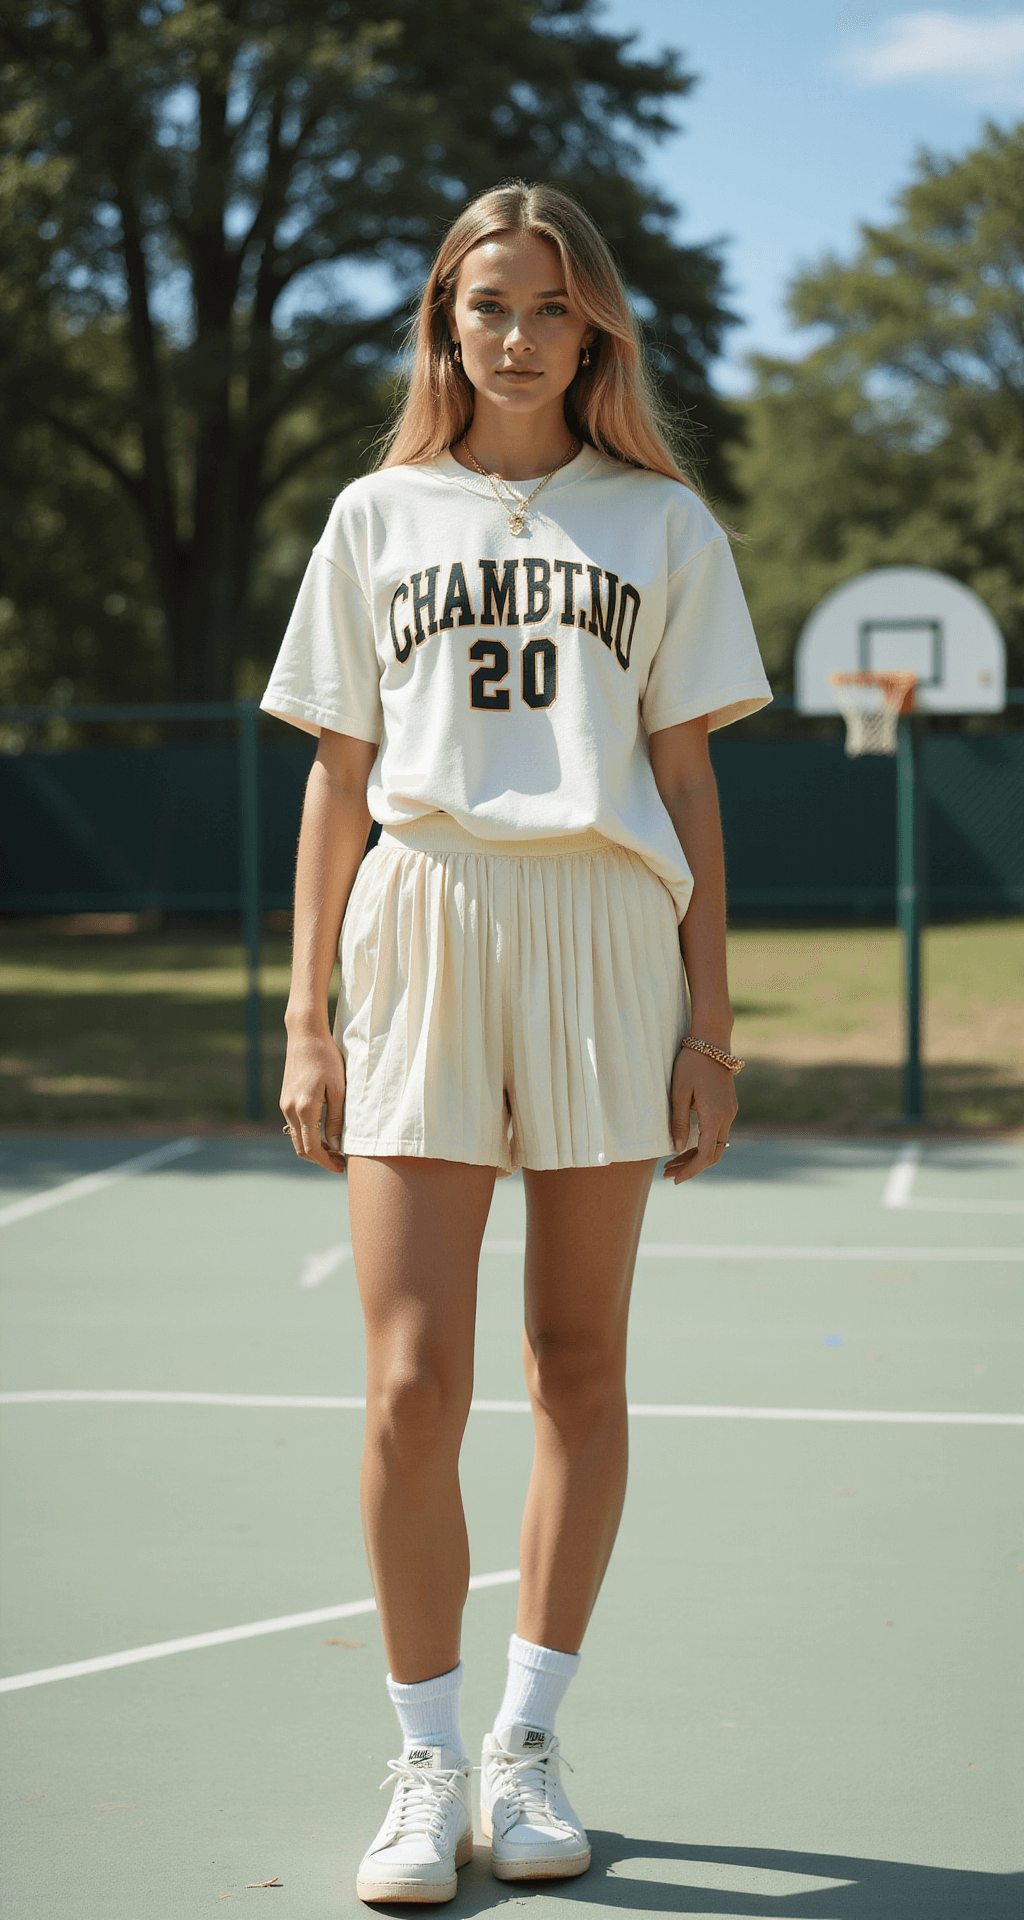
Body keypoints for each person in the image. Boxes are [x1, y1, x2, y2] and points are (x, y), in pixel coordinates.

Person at [262, 180, 770, 1905]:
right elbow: (338, 771)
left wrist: (715, 1024)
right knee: (411, 1380)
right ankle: (418, 1759)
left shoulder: (664, 526)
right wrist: (305, 1008)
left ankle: (527, 1740)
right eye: (489, 305)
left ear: (595, 328)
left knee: (578, 1361)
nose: (519, 334)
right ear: (444, 324)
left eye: (551, 308)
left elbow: (690, 783)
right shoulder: (374, 516)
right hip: (420, 922)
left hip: (606, 932)